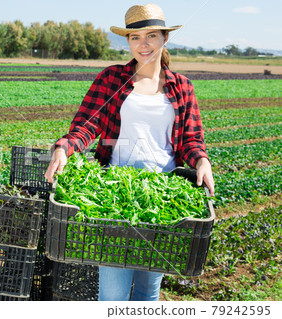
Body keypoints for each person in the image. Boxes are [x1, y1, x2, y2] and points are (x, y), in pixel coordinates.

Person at [44, 3, 215, 301]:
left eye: (150, 35)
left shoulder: (182, 87)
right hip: (114, 197)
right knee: (113, 292)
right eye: (135, 37)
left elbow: (191, 139)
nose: (143, 44)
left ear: (164, 38)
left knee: (148, 289)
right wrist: (63, 149)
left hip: (162, 196)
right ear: (128, 42)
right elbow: (86, 125)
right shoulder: (111, 78)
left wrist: (202, 161)